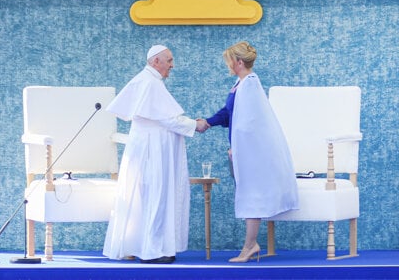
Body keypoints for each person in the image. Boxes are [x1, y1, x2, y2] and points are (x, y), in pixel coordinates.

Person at [103, 45, 207, 264]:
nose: (172, 65)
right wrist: (195, 124)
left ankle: (148, 247)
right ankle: (152, 251)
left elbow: (163, 115)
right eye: (169, 60)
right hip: (154, 151)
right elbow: (167, 119)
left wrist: (191, 124)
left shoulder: (149, 81)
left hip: (151, 148)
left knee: (150, 197)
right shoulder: (149, 83)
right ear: (155, 61)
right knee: (156, 197)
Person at [197, 41, 298, 263]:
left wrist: (237, 146)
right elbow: (229, 114)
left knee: (252, 195)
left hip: (252, 153)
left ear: (239, 62)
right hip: (246, 152)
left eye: (230, 61)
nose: (228, 66)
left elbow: (250, 122)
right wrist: (208, 122)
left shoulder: (250, 84)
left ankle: (250, 246)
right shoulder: (240, 84)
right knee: (248, 194)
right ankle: (250, 245)